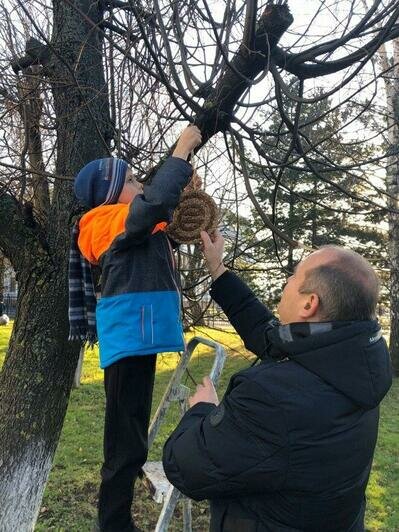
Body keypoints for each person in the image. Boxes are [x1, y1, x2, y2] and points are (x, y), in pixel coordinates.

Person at [162, 229, 392, 532]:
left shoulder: (271, 398)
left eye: (294, 277)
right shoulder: (356, 362)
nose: (286, 283)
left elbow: (186, 466)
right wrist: (217, 269)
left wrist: (201, 410)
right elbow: (268, 335)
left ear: (309, 304)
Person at [68, 125, 202, 532]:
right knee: (123, 444)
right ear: (109, 193)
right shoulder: (103, 222)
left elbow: (160, 215)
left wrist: (185, 186)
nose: (139, 183)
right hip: (129, 339)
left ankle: (116, 521)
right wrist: (180, 152)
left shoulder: (126, 222)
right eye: (129, 180)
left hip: (137, 339)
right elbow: (152, 204)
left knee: (130, 438)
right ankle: (113, 525)